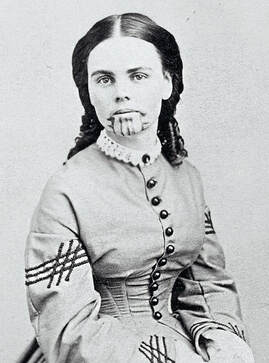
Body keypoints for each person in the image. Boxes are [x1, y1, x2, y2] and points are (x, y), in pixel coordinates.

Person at [23, 13, 255, 363]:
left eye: (138, 76)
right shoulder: (66, 190)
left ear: (166, 83)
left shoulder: (186, 177)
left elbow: (208, 283)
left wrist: (220, 337)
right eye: (104, 80)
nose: (121, 93)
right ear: (88, 91)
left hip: (189, 345)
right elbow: (67, 327)